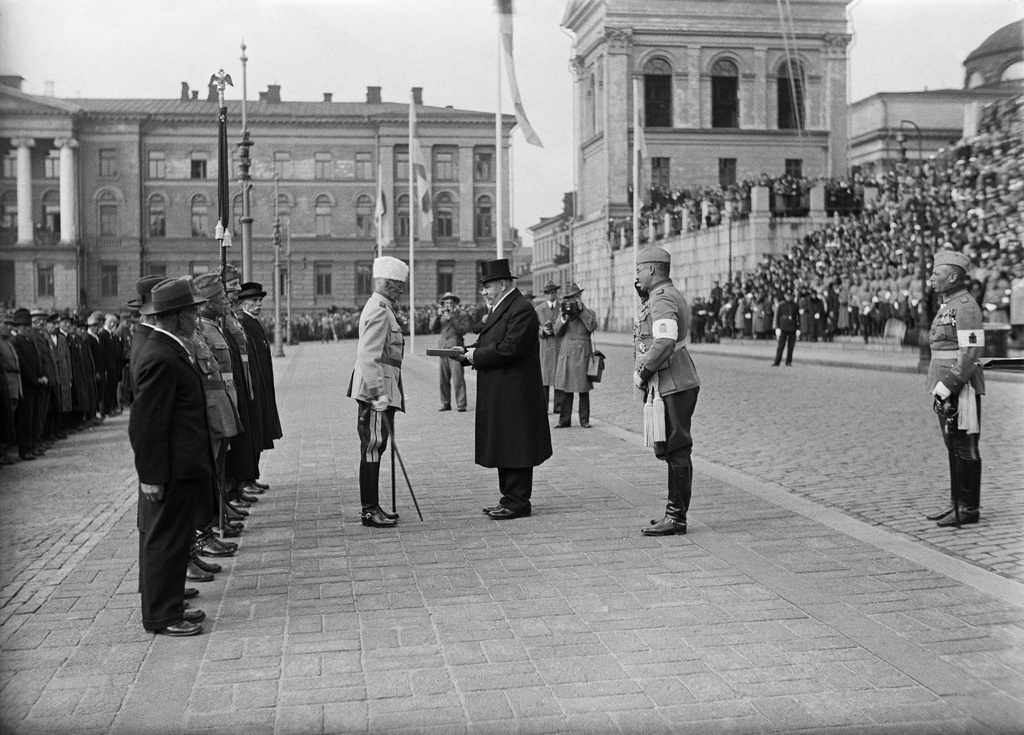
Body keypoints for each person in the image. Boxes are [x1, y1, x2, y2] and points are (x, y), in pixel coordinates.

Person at [129, 278, 215, 636]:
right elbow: (146, 424)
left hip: (181, 464)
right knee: (164, 540)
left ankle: (170, 604)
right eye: (192, 311)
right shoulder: (161, 355)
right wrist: (150, 475)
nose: (197, 317)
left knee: (174, 538)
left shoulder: (168, 347)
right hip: (170, 469)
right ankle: (163, 616)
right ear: (177, 317)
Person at [460, 259, 552, 520]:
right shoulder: (505, 306)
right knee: (506, 442)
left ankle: (519, 501)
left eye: (487, 286)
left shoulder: (520, 308)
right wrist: (468, 351)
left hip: (515, 391)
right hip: (503, 388)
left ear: (502, 284)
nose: (484, 292)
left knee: (516, 445)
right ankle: (508, 497)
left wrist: (476, 356)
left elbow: (512, 347)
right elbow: (491, 340)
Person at [633, 247, 701, 536]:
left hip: (672, 381)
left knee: (676, 449)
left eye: (639, 270)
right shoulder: (662, 295)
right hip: (673, 379)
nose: (636, 276)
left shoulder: (662, 299)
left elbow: (663, 342)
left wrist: (643, 372)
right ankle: (674, 513)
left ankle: (676, 517)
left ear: (651, 270)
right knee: (673, 449)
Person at [925, 250, 985, 527]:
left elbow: (971, 351)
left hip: (959, 385)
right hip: (943, 382)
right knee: (952, 445)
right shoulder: (947, 303)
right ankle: (955, 502)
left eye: (936, 274)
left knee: (964, 446)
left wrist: (949, 385)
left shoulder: (966, 306)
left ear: (952, 276)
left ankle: (968, 507)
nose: (931, 279)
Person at [347, 256, 408, 528]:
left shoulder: (384, 307)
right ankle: (369, 510)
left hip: (383, 384)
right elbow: (368, 355)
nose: (401, 291)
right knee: (372, 446)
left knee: (377, 445)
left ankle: (373, 506)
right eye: (397, 286)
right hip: (376, 388)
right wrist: (378, 393)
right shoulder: (379, 309)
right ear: (384, 283)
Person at [552, 282, 597, 429]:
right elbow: (557, 331)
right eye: (570, 298)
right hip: (567, 351)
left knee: (583, 387)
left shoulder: (588, 312)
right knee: (566, 387)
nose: (573, 300)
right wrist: (564, 318)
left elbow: (591, 326)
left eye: (575, 297)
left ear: (580, 296)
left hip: (582, 351)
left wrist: (581, 310)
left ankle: (584, 420)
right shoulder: (563, 312)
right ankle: (564, 420)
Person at [430, 291, 470, 412]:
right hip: (443, 348)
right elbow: (432, 329)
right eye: (446, 302)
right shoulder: (440, 315)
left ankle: (461, 404)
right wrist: (437, 316)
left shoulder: (462, 315)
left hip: (456, 349)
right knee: (443, 379)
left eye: (450, 302)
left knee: (458, 378)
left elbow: (463, 330)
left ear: (455, 304)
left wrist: (451, 318)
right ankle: (445, 403)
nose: (448, 305)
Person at [535, 283, 563, 414]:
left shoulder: (562, 307)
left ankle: (558, 406)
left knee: (559, 377)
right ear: (545, 294)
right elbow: (534, 327)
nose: (552, 296)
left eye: (553, 293)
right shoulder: (539, 309)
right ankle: (544, 406)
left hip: (558, 344)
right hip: (545, 346)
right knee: (545, 378)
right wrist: (543, 330)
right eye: (549, 293)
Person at [772, 289, 800, 366]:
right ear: (785, 296)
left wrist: (798, 328)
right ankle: (777, 361)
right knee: (781, 345)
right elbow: (778, 316)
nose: (789, 298)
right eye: (787, 296)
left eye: (790, 296)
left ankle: (788, 361)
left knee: (791, 346)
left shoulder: (795, 305)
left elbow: (798, 317)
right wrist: (777, 327)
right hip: (783, 326)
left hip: (792, 326)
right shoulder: (781, 305)